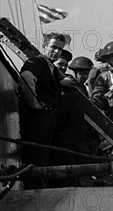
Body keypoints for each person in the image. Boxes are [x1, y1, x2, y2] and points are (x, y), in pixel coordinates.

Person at [17, 32, 88, 173]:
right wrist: (34, 104)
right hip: (38, 118)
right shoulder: (38, 61)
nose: (56, 52)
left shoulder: (51, 68)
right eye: (53, 47)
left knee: (45, 156)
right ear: (44, 46)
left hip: (48, 118)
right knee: (37, 158)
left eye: (60, 49)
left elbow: (47, 83)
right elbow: (26, 77)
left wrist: (61, 83)